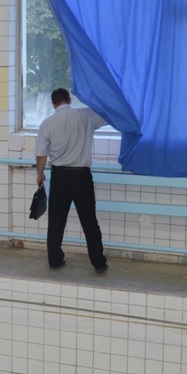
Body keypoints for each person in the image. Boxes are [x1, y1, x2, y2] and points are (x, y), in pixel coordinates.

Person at [35, 88, 109, 273]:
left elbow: (41, 154)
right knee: (89, 220)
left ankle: (55, 260)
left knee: (56, 220)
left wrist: (40, 174)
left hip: (59, 177)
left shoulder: (47, 123)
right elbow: (110, 115)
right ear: (70, 100)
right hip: (81, 176)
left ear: (53, 104)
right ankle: (98, 263)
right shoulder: (86, 115)